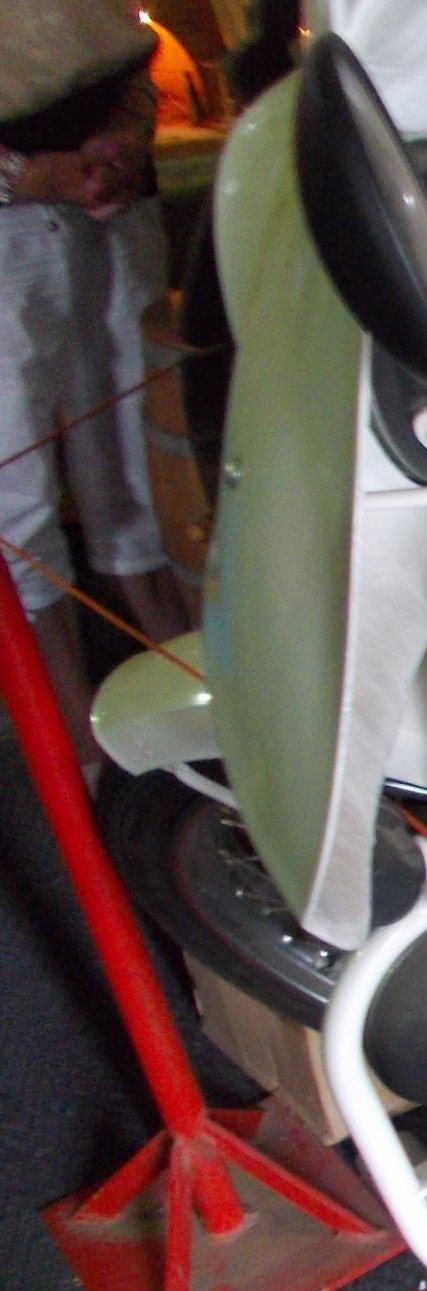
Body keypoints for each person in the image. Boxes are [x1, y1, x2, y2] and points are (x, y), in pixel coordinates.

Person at [2, 4, 193, 780]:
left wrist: (129, 127)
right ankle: (74, 742)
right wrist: (21, 176)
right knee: (15, 486)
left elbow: (116, 31)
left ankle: (185, 675)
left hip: (111, 193)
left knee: (143, 455)